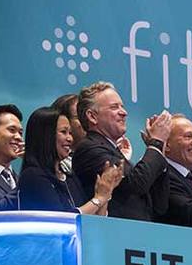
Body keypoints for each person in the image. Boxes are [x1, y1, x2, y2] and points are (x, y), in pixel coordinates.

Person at [72, 81, 171, 221]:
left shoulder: (112, 151)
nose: (124, 113)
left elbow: (160, 205)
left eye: (122, 107)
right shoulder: (89, 149)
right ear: (92, 116)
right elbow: (136, 184)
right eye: (114, 107)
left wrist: (159, 150)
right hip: (111, 231)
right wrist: (155, 144)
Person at [19, 106, 122, 214]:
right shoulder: (32, 176)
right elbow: (61, 219)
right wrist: (98, 199)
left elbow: (94, 219)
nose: (70, 139)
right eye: (63, 132)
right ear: (46, 135)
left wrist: (106, 193)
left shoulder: (70, 177)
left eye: (70, 133)